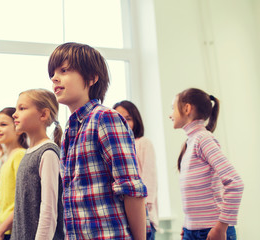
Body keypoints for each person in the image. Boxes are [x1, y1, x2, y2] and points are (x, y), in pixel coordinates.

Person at [48, 42, 148, 240]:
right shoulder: (70, 129)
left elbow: (131, 189)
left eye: (65, 70)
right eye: (53, 72)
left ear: (92, 78)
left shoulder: (105, 118)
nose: (54, 77)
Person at [169, 88, 244, 240]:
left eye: (172, 108)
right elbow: (193, 191)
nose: (170, 115)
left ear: (187, 108)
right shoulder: (190, 142)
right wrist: (187, 223)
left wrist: (221, 227)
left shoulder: (203, 139)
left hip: (210, 230)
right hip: (192, 231)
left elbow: (235, 183)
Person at [10, 89, 64, 240]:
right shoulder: (28, 153)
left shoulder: (48, 153)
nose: (15, 114)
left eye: (22, 108)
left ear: (43, 115)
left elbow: (49, 210)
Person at [113, 100, 159, 240]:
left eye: (128, 119)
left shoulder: (143, 143)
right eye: (119, 119)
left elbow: (150, 177)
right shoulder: (114, 148)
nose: (123, 123)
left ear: (136, 120)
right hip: (122, 216)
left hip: (143, 213)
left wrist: (144, 206)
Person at [0, 108, 28, 240]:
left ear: (17, 128)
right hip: (5, 229)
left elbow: (22, 200)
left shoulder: (20, 155)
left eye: (3, 125)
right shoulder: (5, 159)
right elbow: (5, 205)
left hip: (13, 230)